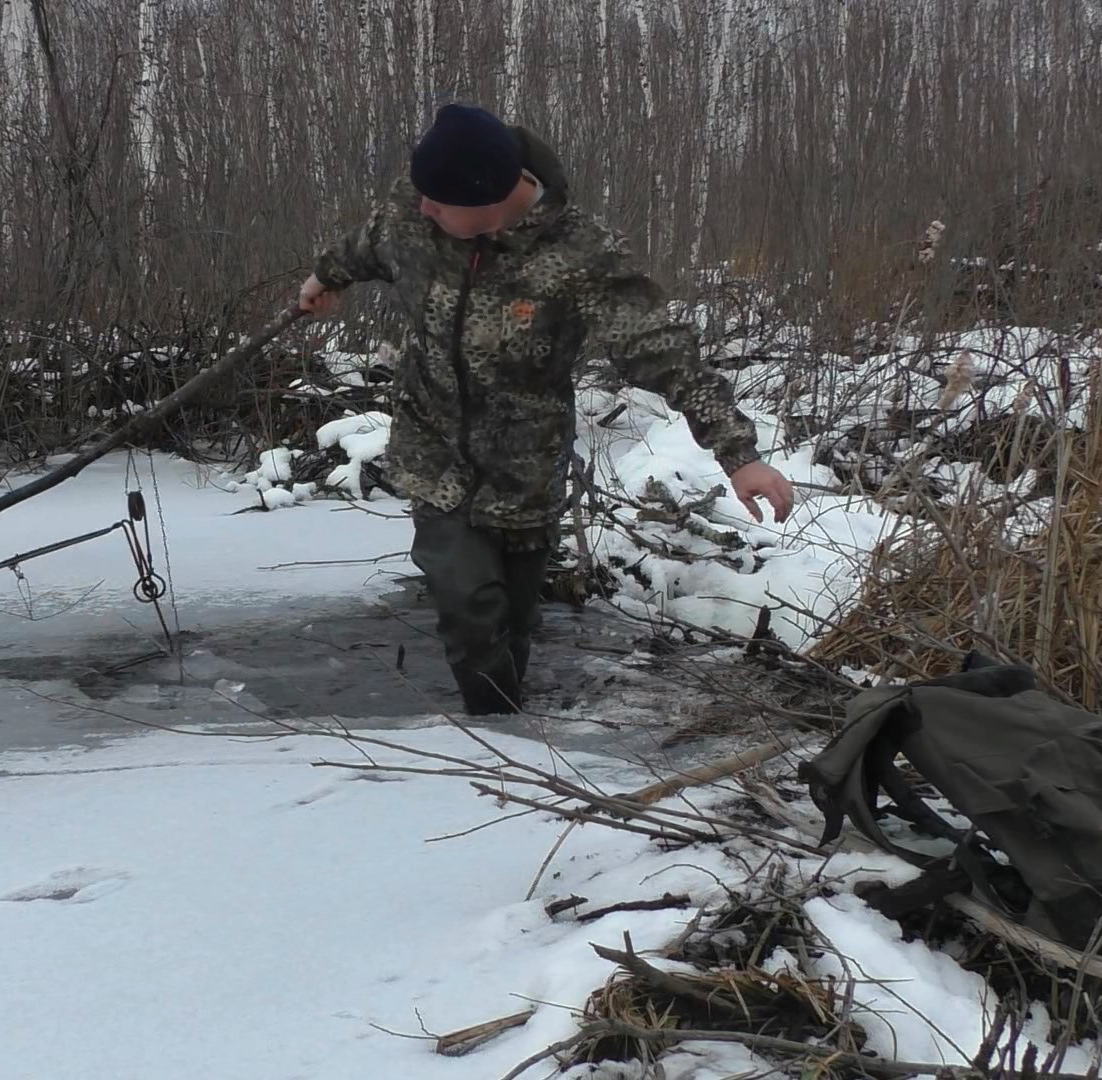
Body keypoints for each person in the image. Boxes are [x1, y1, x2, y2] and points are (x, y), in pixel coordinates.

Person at [297, 102, 794, 716]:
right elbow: (367, 243)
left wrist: (738, 454)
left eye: (437, 202)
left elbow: (661, 349)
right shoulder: (417, 206)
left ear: (489, 198)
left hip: (525, 471)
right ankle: (495, 724)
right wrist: (326, 279)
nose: (420, 206)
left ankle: (515, 726)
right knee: (468, 605)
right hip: (435, 456)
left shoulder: (581, 254)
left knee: (515, 611)